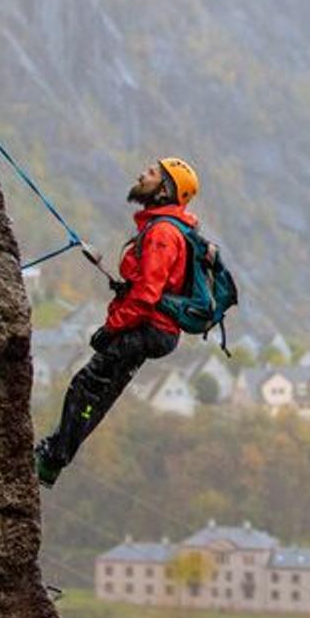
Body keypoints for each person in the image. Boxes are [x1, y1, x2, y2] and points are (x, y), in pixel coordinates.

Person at [33, 156, 202, 487]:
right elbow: (152, 285)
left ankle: (52, 458)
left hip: (146, 328)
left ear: (166, 189)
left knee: (86, 386)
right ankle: (52, 462)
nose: (143, 174)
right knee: (100, 394)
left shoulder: (163, 233)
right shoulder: (164, 228)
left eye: (152, 173)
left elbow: (147, 295)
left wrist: (111, 328)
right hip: (157, 331)